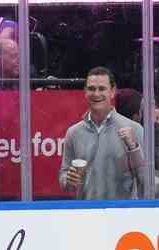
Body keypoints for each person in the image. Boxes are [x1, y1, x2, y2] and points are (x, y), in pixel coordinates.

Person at [59, 66, 145, 200]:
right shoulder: (73, 132)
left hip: (123, 216)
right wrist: (68, 180)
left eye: (102, 89)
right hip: (87, 216)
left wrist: (134, 148)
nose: (96, 94)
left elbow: (145, 183)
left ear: (112, 91)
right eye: (91, 89)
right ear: (85, 92)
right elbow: (64, 179)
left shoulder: (134, 129)